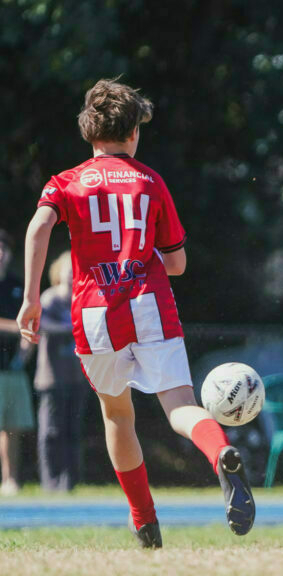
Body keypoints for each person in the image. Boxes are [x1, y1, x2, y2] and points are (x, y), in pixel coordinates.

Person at [16, 78, 255, 548]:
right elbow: (178, 263)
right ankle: (221, 450)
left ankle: (144, 520)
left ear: (89, 133)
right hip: (149, 304)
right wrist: (142, 255)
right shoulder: (149, 181)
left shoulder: (65, 182)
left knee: (117, 416)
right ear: (133, 134)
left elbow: (39, 226)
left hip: (94, 311)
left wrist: (30, 297)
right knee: (181, 405)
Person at [34, 251, 91, 492]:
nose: (71, 274)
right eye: (68, 269)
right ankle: (51, 482)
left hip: (78, 377)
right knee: (51, 432)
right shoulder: (49, 299)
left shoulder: (83, 299)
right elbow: (44, 326)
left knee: (73, 432)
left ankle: (70, 482)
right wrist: (75, 329)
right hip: (51, 378)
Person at [0, 229, 34, 496]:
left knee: (12, 429)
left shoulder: (17, 285)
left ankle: (10, 479)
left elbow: (31, 324)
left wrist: (25, 349)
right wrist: (18, 328)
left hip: (12, 369)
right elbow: (19, 325)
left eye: (4, 248)